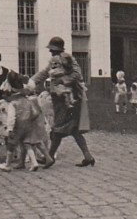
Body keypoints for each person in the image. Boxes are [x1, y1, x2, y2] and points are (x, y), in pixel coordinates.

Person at [28, 37, 94, 167]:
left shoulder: (68, 58)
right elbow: (44, 73)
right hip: (59, 98)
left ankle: (50, 157)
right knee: (72, 129)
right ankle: (88, 156)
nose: (52, 52)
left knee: (59, 128)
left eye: (53, 49)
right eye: (51, 50)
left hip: (69, 98)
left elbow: (77, 74)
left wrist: (62, 80)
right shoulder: (53, 60)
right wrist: (32, 81)